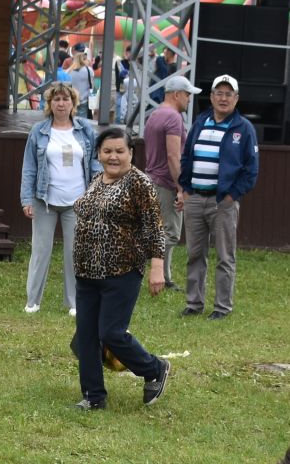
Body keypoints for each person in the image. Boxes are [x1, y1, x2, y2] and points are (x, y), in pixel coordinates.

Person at [69, 126, 170, 411]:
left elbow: (154, 226)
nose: (113, 156)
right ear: (99, 153)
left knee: (112, 333)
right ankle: (93, 396)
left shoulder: (139, 183)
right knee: (87, 335)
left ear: (131, 153)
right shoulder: (96, 179)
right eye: (107, 151)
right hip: (87, 272)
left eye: (120, 151)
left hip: (122, 271)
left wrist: (157, 267)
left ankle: (154, 368)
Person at [177, 73, 258, 320]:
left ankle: (222, 307)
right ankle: (194, 303)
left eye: (228, 94)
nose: (223, 98)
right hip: (195, 200)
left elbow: (251, 169)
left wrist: (232, 196)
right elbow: (186, 157)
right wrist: (186, 188)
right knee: (194, 254)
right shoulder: (200, 123)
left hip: (222, 202)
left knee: (225, 256)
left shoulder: (243, 128)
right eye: (219, 93)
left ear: (236, 98)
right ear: (211, 97)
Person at [18, 82, 97, 317]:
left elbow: (95, 162)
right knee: (40, 251)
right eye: (56, 99)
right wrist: (26, 199)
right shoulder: (39, 131)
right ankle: (33, 301)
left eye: (65, 99)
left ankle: (73, 302)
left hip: (77, 202)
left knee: (75, 253)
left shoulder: (86, 130)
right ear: (49, 104)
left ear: (73, 103)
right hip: (45, 201)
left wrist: (94, 194)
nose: (61, 103)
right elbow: (29, 168)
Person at [144, 74, 195, 288]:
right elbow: (174, 157)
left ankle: (165, 277)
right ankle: (155, 274)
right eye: (187, 94)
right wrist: (181, 187)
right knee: (170, 234)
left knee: (160, 230)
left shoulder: (155, 114)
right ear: (176, 94)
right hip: (166, 182)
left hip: (153, 178)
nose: (189, 99)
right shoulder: (173, 118)